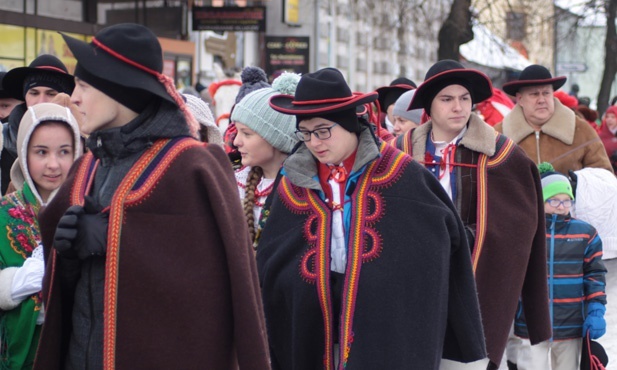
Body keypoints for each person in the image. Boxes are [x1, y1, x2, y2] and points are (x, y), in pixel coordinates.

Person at [33, 23, 269, 369]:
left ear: (119, 88)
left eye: (84, 85)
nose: (76, 97)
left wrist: (115, 238)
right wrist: (66, 256)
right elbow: (63, 299)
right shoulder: (85, 169)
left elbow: (211, 287)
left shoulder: (194, 167)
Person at [259, 67, 488, 369]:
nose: (315, 142)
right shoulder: (293, 181)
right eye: (306, 133)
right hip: (314, 329)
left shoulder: (402, 174)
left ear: (350, 125)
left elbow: (440, 247)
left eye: (324, 130)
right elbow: (273, 258)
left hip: (387, 327)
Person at [392, 59, 552, 369]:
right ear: (429, 104)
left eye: (464, 98)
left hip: (473, 290)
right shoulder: (400, 153)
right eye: (447, 99)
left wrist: (464, 237)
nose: (458, 107)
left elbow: (519, 231)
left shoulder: (501, 155)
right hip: (413, 290)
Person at [0, 102, 82, 369]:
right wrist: (16, 284)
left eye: (64, 152)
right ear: (23, 153)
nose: (53, 164)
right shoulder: (4, 214)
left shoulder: (88, 212)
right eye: (41, 152)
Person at [514, 163, 607, 370]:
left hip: (571, 324)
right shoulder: (526, 232)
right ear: (540, 200)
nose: (561, 206)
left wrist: (596, 309)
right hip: (531, 323)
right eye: (554, 200)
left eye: (566, 201)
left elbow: (595, 274)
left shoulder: (585, 234)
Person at [494, 64, 613, 174]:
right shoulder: (500, 136)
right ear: (520, 99)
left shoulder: (580, 130)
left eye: (546, 93)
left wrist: (575, 187)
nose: (541, 100)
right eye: (534, 94)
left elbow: (604, 177)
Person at [230, 72, 300, 248]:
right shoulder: (235, 181)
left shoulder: (300, 189)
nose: (236, 141)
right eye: (237, 132)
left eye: (246, 133)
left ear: (275, 138)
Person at [1, 55, 75, 195]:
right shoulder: (2, 139)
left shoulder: (85, 142)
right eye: (34, 93)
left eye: (51, 93)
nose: (41, 101)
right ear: (25, 97)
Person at [598, 105, 617, 171]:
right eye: (607, 117)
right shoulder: (600, 135)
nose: (609, 119)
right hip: (604, 170)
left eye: (613, 117)